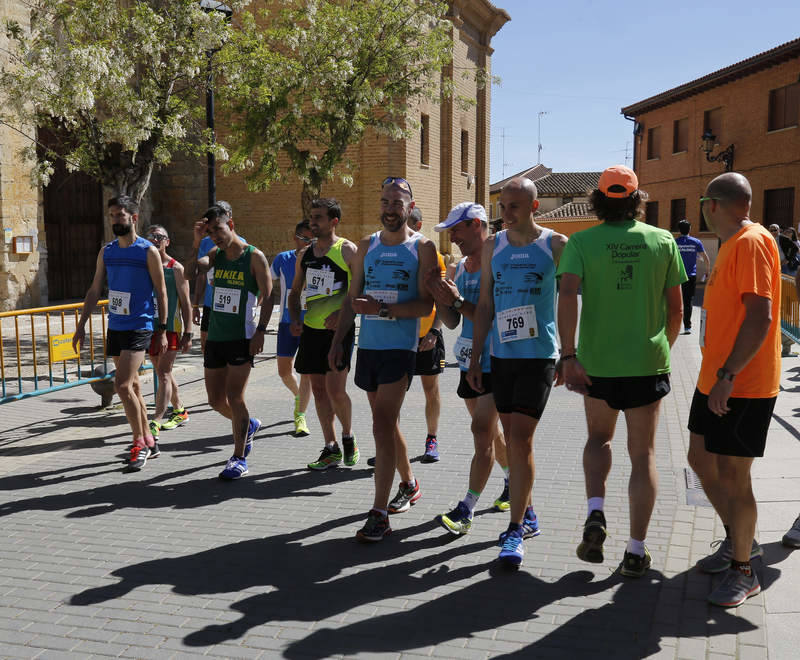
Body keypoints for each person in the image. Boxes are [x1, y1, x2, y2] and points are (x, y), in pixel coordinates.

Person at [557, 165, 685, 578]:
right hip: (646, 364)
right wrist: (660, 350)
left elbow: (567, 298)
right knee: (643, 454)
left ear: (598, 199)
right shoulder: (662, 240)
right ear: (636, 199)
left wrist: (569, 355)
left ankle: (596, 511)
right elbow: (678, 310)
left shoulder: (582, 242)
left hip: (597, 364)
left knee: (598, 439)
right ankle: (635, 550)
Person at [687, 172, 780, 607]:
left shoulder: (752, 241)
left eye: (703, 202)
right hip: (716, 378)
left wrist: (728, 376)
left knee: (733, 476)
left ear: (712, 205)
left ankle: (745, 570)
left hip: (741, 383)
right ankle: (737, 540)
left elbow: (760, 316)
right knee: (699, 458)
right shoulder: (731, 243)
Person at [328, 176, 437, 542]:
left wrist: (385, 310)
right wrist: (339, 340)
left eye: (398, 203)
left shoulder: (421, 247)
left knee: (381, 425)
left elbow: (426, 304)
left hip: (400, 349)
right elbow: (351, 298)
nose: (391, 209)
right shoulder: (365, 246)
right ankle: (409, 483)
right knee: (385, 424)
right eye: (386, 202)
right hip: (369, 348)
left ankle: (379, 513)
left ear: (410, 205)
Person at [467, 177, 567, 567]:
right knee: (510, 436)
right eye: (502, 207)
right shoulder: (495, 246)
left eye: (513, 207)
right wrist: (476, 359)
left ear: (534, 207)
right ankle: (528, 511)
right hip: (501, 356)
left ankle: (514, 531)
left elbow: (577, 298)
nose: (505, 214)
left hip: (539, 355)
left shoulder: (555, 245)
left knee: (521, 439)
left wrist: (571, 353)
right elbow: (486, 306)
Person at [425, 202, 511, 535]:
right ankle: (513, 484)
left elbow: (490, 316)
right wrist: (441, 297)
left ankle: (468, 507)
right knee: (489, 432)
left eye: (456, 229)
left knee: (482, 434)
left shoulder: (499, 261)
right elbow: (452, 321)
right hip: (469, 363)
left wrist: (458, 300)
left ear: (476, 224)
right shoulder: (459, 267)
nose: (453, 237)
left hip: (499, 361)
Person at [72, 195, 168, 471]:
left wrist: (161, 329)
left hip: (141, 325)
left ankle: (138, 442)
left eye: (120, 215)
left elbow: (161, 292)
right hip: (116, 326)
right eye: (112, 215)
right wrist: (81, 326)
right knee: (134, 387)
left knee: (122, 385)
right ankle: (149, 440)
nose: (115, 220)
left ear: (133, 218)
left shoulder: (147, 251)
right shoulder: (108, 251)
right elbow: (94, 290)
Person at [187, 204, 273, 480]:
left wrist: (260, 331)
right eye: (211, 232)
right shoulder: (215, 254)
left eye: (219, 230)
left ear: (231, 225)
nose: (216, 236)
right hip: (215, 335)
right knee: (214, 400)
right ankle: (247, 424)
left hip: (242, 337)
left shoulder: (254, 257)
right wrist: (196, 242)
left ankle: (239, 457)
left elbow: (270, 296)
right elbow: (190, 272)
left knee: (235, 397)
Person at [289, 199, 359, 469]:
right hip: (311, 331)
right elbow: (295, 292)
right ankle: (330, 447)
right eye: (311, 217)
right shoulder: (304, 255)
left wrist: (342, 315)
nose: (312, 222)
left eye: (318, 217)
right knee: (318, 390)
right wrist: (295, 318)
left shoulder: (347, 251)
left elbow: (358, 293)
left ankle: (348, 437)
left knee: (336, 390)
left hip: (339, 332)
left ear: (334, 221)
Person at [145, 225, 193, 439]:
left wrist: (189, 333)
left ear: (167, 241)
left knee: (164, 372)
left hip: (171, 327)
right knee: (161, 370)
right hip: (150, 326)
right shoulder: (144, 266)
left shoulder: (176, 268)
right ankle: (180, 410)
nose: (155, 240)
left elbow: (186, 302)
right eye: (151, 237)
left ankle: (156, 419)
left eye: (159, 237)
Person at [407, 207, 446, 462]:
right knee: (392, 393)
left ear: (418, 226)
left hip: (427, 335)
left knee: (430, 389)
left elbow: (444, 300)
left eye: (409, 225)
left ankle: (432, 439)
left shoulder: (435, 257)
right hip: (399, 336)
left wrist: (433, 331)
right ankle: (390, 442)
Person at [271, 221, 313, 436]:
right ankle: (299, 395)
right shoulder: (282, 259)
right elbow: (268, 286)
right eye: (306, 239)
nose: (309, 244)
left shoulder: (320, 258)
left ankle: (300, 415)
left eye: (313, 240)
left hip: (312, 323)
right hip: (287, 321)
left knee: (306, 372)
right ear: (295, 237)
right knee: (284, 371)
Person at [191, 201, 245, 353]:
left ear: (229, 218)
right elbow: (198, 275)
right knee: (207, 350)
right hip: (211, 304)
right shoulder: (206, 242)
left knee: (231, 351)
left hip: (234, 306)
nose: (215, 235)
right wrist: (195, 305)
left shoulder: (243, 245)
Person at [675, 219, 710, 335]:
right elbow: (705, 258)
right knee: (688, 301)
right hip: (691, 276)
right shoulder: (696, 242)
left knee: (675, 301)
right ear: (689, 229)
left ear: (679, 230)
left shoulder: (675, 242)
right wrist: (707, 271)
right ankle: (687, 327)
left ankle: (673, 326)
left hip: (677, 276)